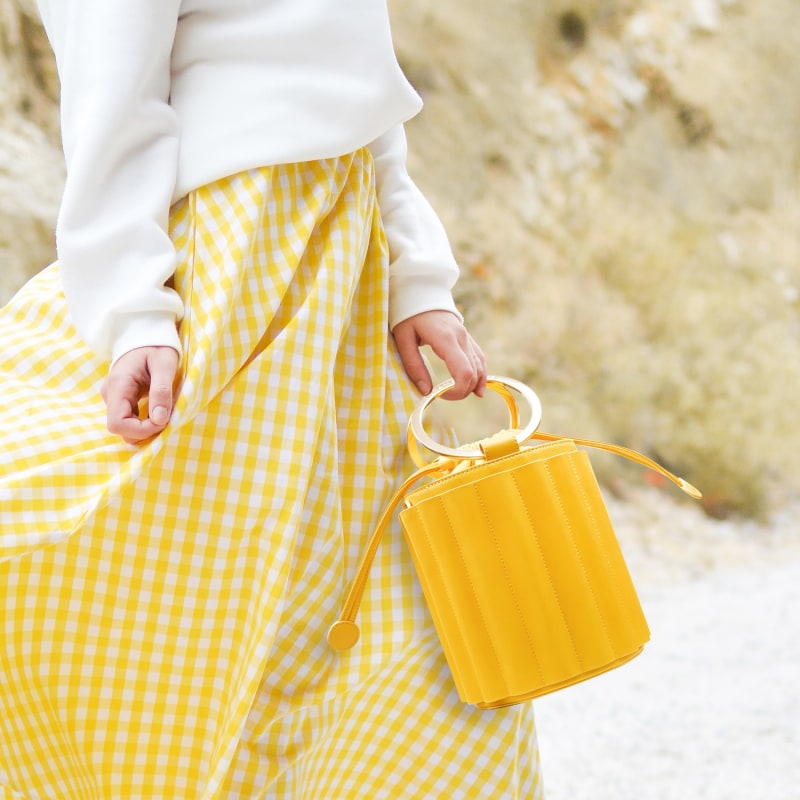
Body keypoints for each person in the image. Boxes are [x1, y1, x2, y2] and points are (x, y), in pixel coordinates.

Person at [0, 2, 543, 797]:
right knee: (184, 569)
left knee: (366, 601)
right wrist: (135, 309)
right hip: (233, 264)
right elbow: (112, 105)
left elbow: (361, 93)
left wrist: (416, 273)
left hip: (341, 272)